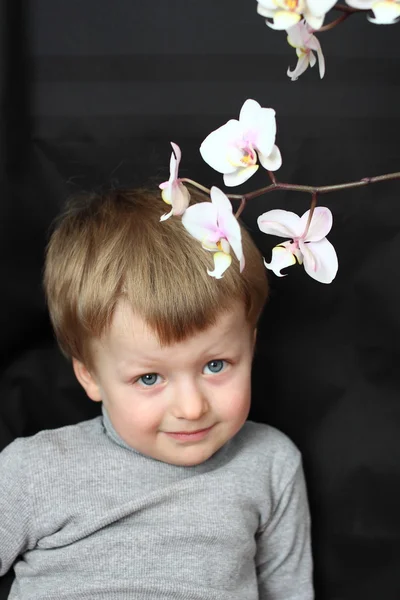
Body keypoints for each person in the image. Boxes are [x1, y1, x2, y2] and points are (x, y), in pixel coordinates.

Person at [0, 187, 314, 599]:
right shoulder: (32, 471)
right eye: (149, 378)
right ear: (89, 375)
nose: (191, 407)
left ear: (250, 349)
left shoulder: (271, 464)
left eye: (215, 365)